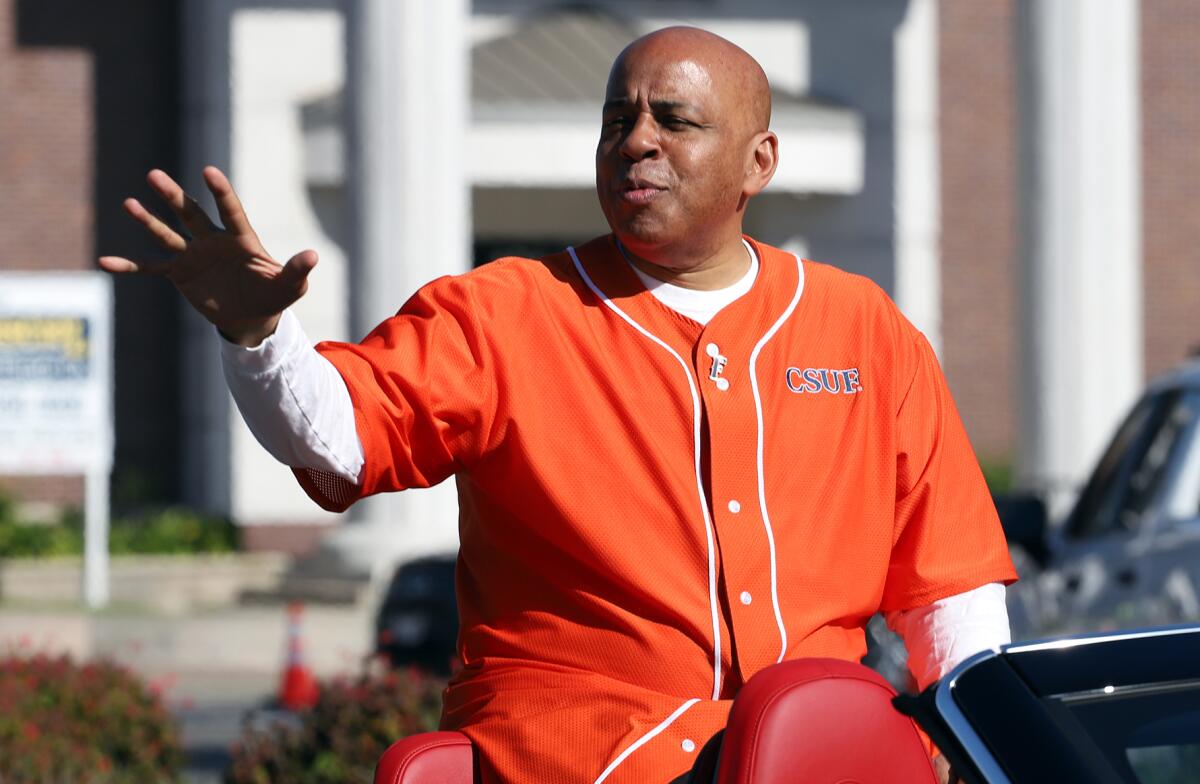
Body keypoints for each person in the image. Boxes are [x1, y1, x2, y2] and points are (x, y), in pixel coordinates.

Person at [101, 27, 1015, 784]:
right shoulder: (505, 311)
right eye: (618, 120)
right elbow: (338, 435)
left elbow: (950, 587)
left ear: (759, 161)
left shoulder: (863, 328)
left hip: (828, 755)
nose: (637, 141)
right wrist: (257, 337)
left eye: (675, 120)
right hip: (582, 758)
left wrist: (982, 744)